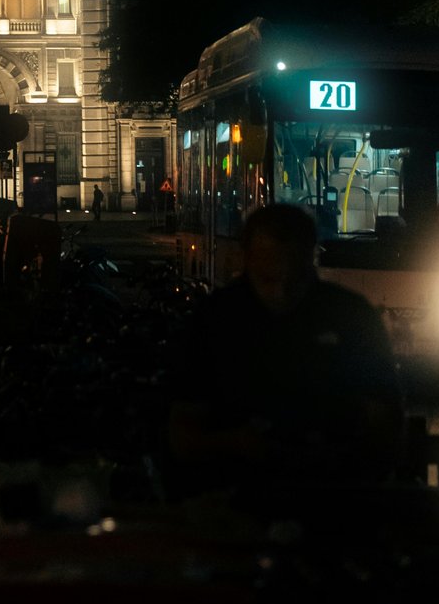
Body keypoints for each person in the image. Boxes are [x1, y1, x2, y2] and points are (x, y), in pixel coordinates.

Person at [168, 203, 402, 487]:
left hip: (332, 487)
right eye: (268, 279)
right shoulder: (215, 319)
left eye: (295, 279)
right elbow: (182, 431)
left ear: (311, 258)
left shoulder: (351, 315)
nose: (280, 292)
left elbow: (384, 419)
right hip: (236, 493)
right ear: (246, 260)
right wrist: (235, 444)